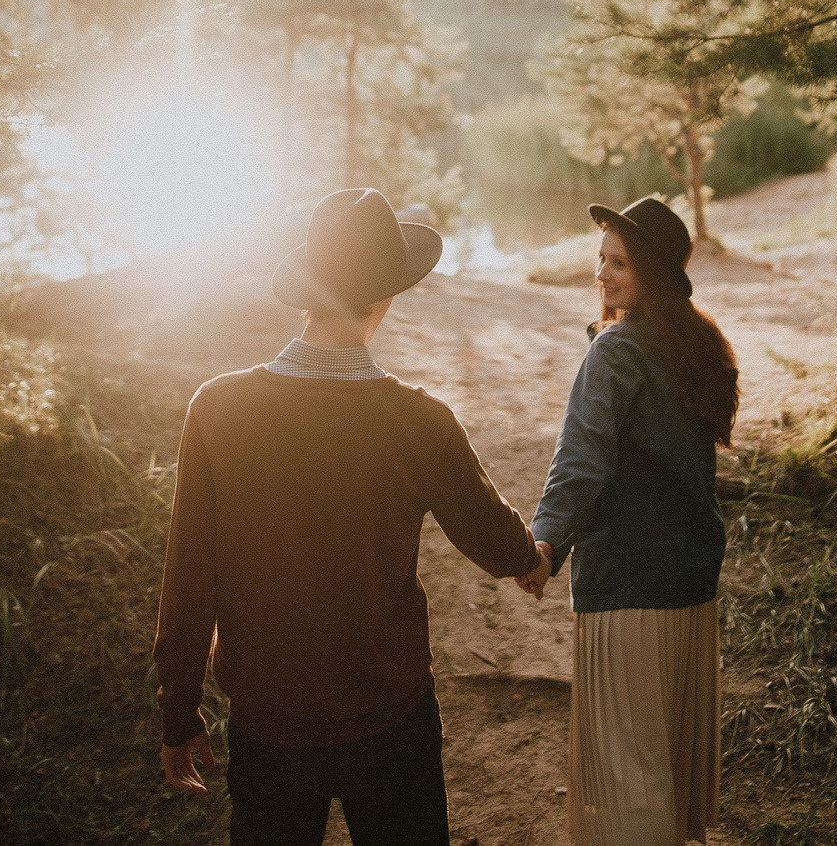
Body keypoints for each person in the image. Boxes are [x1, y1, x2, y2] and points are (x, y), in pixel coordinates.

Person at [153, 186, 544, 845]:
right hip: (390, 720)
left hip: (269, 724)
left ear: (307, 292)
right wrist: (529, 558)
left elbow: (189, 577)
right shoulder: (419, 421)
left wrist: (178, 711)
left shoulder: (217, 409)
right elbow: (488, 532)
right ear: (386, 297)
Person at [519, 195, 739, 846]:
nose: (604, 274)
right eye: (601, 259)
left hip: (631, 591)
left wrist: (545, 542)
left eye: (621, 262)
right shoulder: (697, 344)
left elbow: (582, 458)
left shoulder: (615, 350)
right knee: (665, 761)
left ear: (655, 273)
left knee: (629, 774)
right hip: (689, 593)